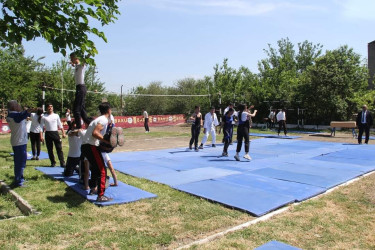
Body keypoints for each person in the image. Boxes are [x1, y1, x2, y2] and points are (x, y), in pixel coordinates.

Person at [81, 102, 112, 202]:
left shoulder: (98, 119)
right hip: (91, 146)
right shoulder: (103, 119)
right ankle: (100, 196)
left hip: (86, 146)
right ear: (109, 110)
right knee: (102, 170)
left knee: (95, 168)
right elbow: (95, 133)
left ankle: (93, 188)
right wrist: (107, 141)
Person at [6, 100, 32, 187]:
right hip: (19, 142)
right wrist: (28, 110)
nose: (19, 106)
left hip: (19, 141)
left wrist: (27, 112)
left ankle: (20, 178)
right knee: (20, 162)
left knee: (21, 160)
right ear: (13, 107)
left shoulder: (12, 115)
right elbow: (22, 115)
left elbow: (24, 115)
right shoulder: (14, 115)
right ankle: (18, 181)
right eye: (17, 105)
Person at [70, 53, 89, 129]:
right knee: (82, 109)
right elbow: (75, 65)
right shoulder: (77, 66)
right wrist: (73, 64)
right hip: (78, 88)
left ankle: (78, 127)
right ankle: (89, 123)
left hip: (81, 87)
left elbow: (85, 61)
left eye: (72, 58)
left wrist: (89, 53)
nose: (71, 60)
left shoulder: (81, 65)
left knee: (76, 109)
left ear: (76, 58)